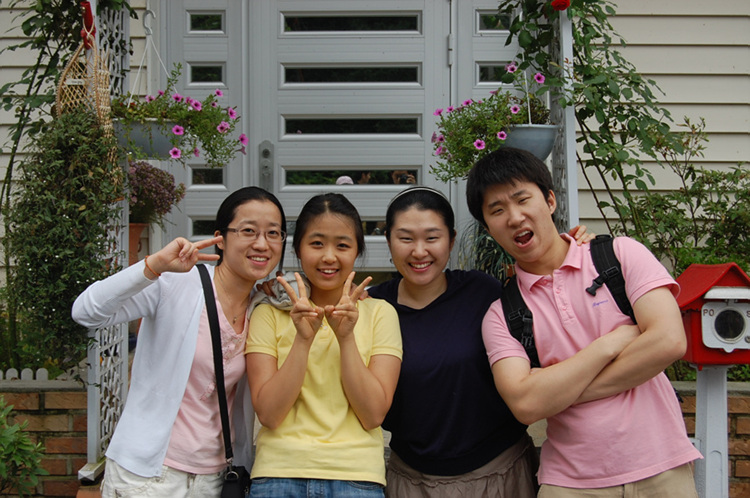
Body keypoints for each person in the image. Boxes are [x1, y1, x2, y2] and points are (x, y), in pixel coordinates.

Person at [465, 147, 701, 497]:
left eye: (522, 199)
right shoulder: (502, 314)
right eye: (497, 210)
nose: (514, 217)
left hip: (662, 468)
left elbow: (669, 342)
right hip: (570, 484)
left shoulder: (619, 256)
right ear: (488, 228)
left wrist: (560, 391)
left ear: (549, 200)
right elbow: (525, 405)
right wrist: (608, 344)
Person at [367, 186, 592, 497]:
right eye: (406, 239)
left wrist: (577, 252)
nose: (419, 252)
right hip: (411, 481)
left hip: (500, 475)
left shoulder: (482, 292)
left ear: (451, 240)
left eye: (432, 238)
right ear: (388, 240)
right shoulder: (372, 307)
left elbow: (547, 303)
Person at [72, 186, 287, 497]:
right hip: (147, 476)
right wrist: (153, 266)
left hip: (214, 478)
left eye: (273, 233)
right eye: (248, 231)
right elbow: (86, 312)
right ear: (220, 238)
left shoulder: (263, 306)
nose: (262, 244)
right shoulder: (177, 283)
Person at [246, 192, 403, 497]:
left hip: (356, 477)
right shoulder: (269, 313)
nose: (329, 257)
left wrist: (346, 338)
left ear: (357, 251)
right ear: (298, 249)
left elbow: (373, 415)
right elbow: (269, 414)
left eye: (342, 245)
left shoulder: (380, 314)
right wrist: (303, 340)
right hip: (279, 474)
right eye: (317, 243)